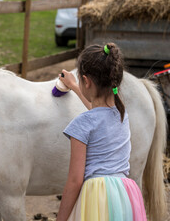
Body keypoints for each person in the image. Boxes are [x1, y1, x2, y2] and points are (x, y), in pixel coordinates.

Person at [56, 43, 147, 221]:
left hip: (97, 197)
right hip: (124, 195)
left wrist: (61, 219)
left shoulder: (82, 124)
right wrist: (75, 86)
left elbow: (75, 181)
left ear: (87, 81)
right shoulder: (121, 114)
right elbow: (98, 111)